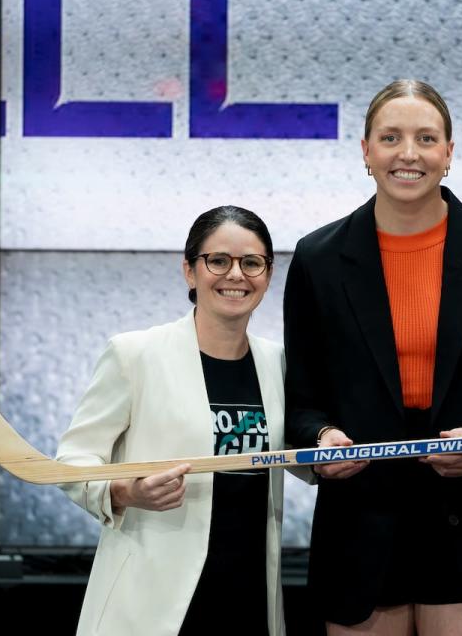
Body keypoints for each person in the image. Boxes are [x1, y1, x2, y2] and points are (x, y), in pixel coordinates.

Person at [284, 79, 462, 635]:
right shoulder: (318, 259)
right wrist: (320, 440)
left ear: (449, 153)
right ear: (365, 151)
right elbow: (302, 402)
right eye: (390, 137)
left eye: (426, 138)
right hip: (362, 521)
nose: (408, 153)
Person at [56, 206, 293, 635]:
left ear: (268, 273)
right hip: (154, 597)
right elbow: (74, 460)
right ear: (189, 271)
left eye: (251, 263)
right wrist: (124, 491)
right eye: (218, 261)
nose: (236, 275)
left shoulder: (276, 362)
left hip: (248, 592)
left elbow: (292, 453)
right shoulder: (135, 354)